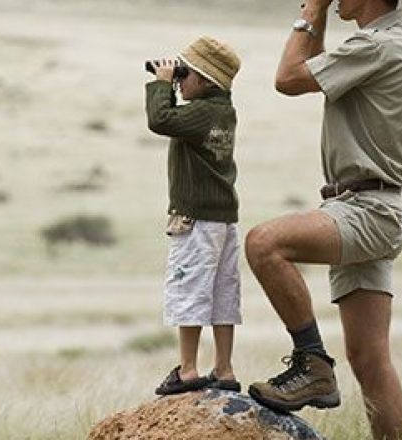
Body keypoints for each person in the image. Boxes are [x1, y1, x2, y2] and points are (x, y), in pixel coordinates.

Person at [245, 0, 402, 439]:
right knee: (369, 359)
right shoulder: (388, 43)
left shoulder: (376, 46)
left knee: (264, 243)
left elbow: (287, 78)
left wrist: (311, 7)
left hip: (366, 210)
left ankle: (312, 363)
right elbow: (310, 65)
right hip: (371, 205)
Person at [144, 36, 243, 396]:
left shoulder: (201, 113)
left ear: (205, 80)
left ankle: (188, 369)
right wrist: (172, 83)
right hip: (223, 218)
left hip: (195, 219)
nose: (179, 80)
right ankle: (225, 367)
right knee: (222, 293)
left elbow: (159, 120)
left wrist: (160, 85)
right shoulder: (223, 111)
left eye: (184, 74)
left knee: (189, 290)